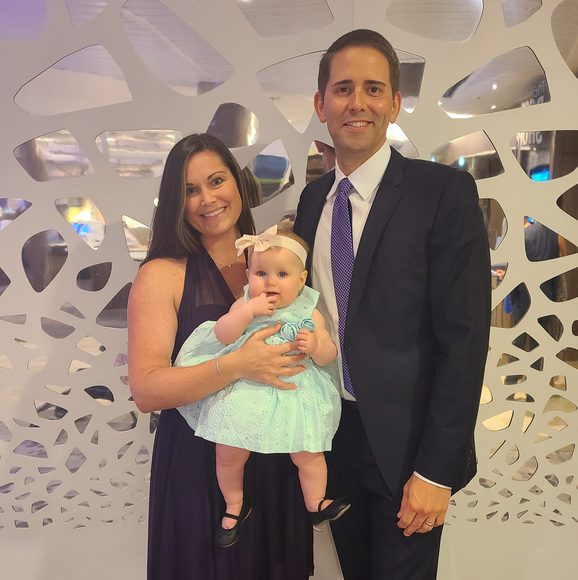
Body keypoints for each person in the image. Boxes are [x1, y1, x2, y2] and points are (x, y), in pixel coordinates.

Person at [293, 29, 491, 580]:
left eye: (373, 89)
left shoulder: (443, 194)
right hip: (332, 438)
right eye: (343, 89)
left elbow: (465, 341)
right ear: (321, 105)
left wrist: (437, 470)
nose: (357, 102)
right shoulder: (312, 201)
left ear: (395, 103)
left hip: (409, 452)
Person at [127, 133, 313, 580]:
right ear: (176, 202)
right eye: (190, 190)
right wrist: (237, 365)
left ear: (237, 183)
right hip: (201, 466)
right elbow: (147, 389)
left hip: (277, 453)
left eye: (216, 181)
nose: (207, 199)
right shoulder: (162, 274)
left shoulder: (277, 259)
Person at [175, 226, 349, 548]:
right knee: (228, 453)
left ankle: (316, 503)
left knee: (309, 452)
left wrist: (315, 345)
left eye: (282, 274)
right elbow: (223, 335)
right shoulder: (243, 304)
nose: (270, 282)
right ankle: (234, 504)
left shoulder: (309, 312)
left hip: (294, 388)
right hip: (247, 388)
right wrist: (246, 313)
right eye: (260, 273)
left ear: (301, 280)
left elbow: (329, 355)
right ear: (248, 275)